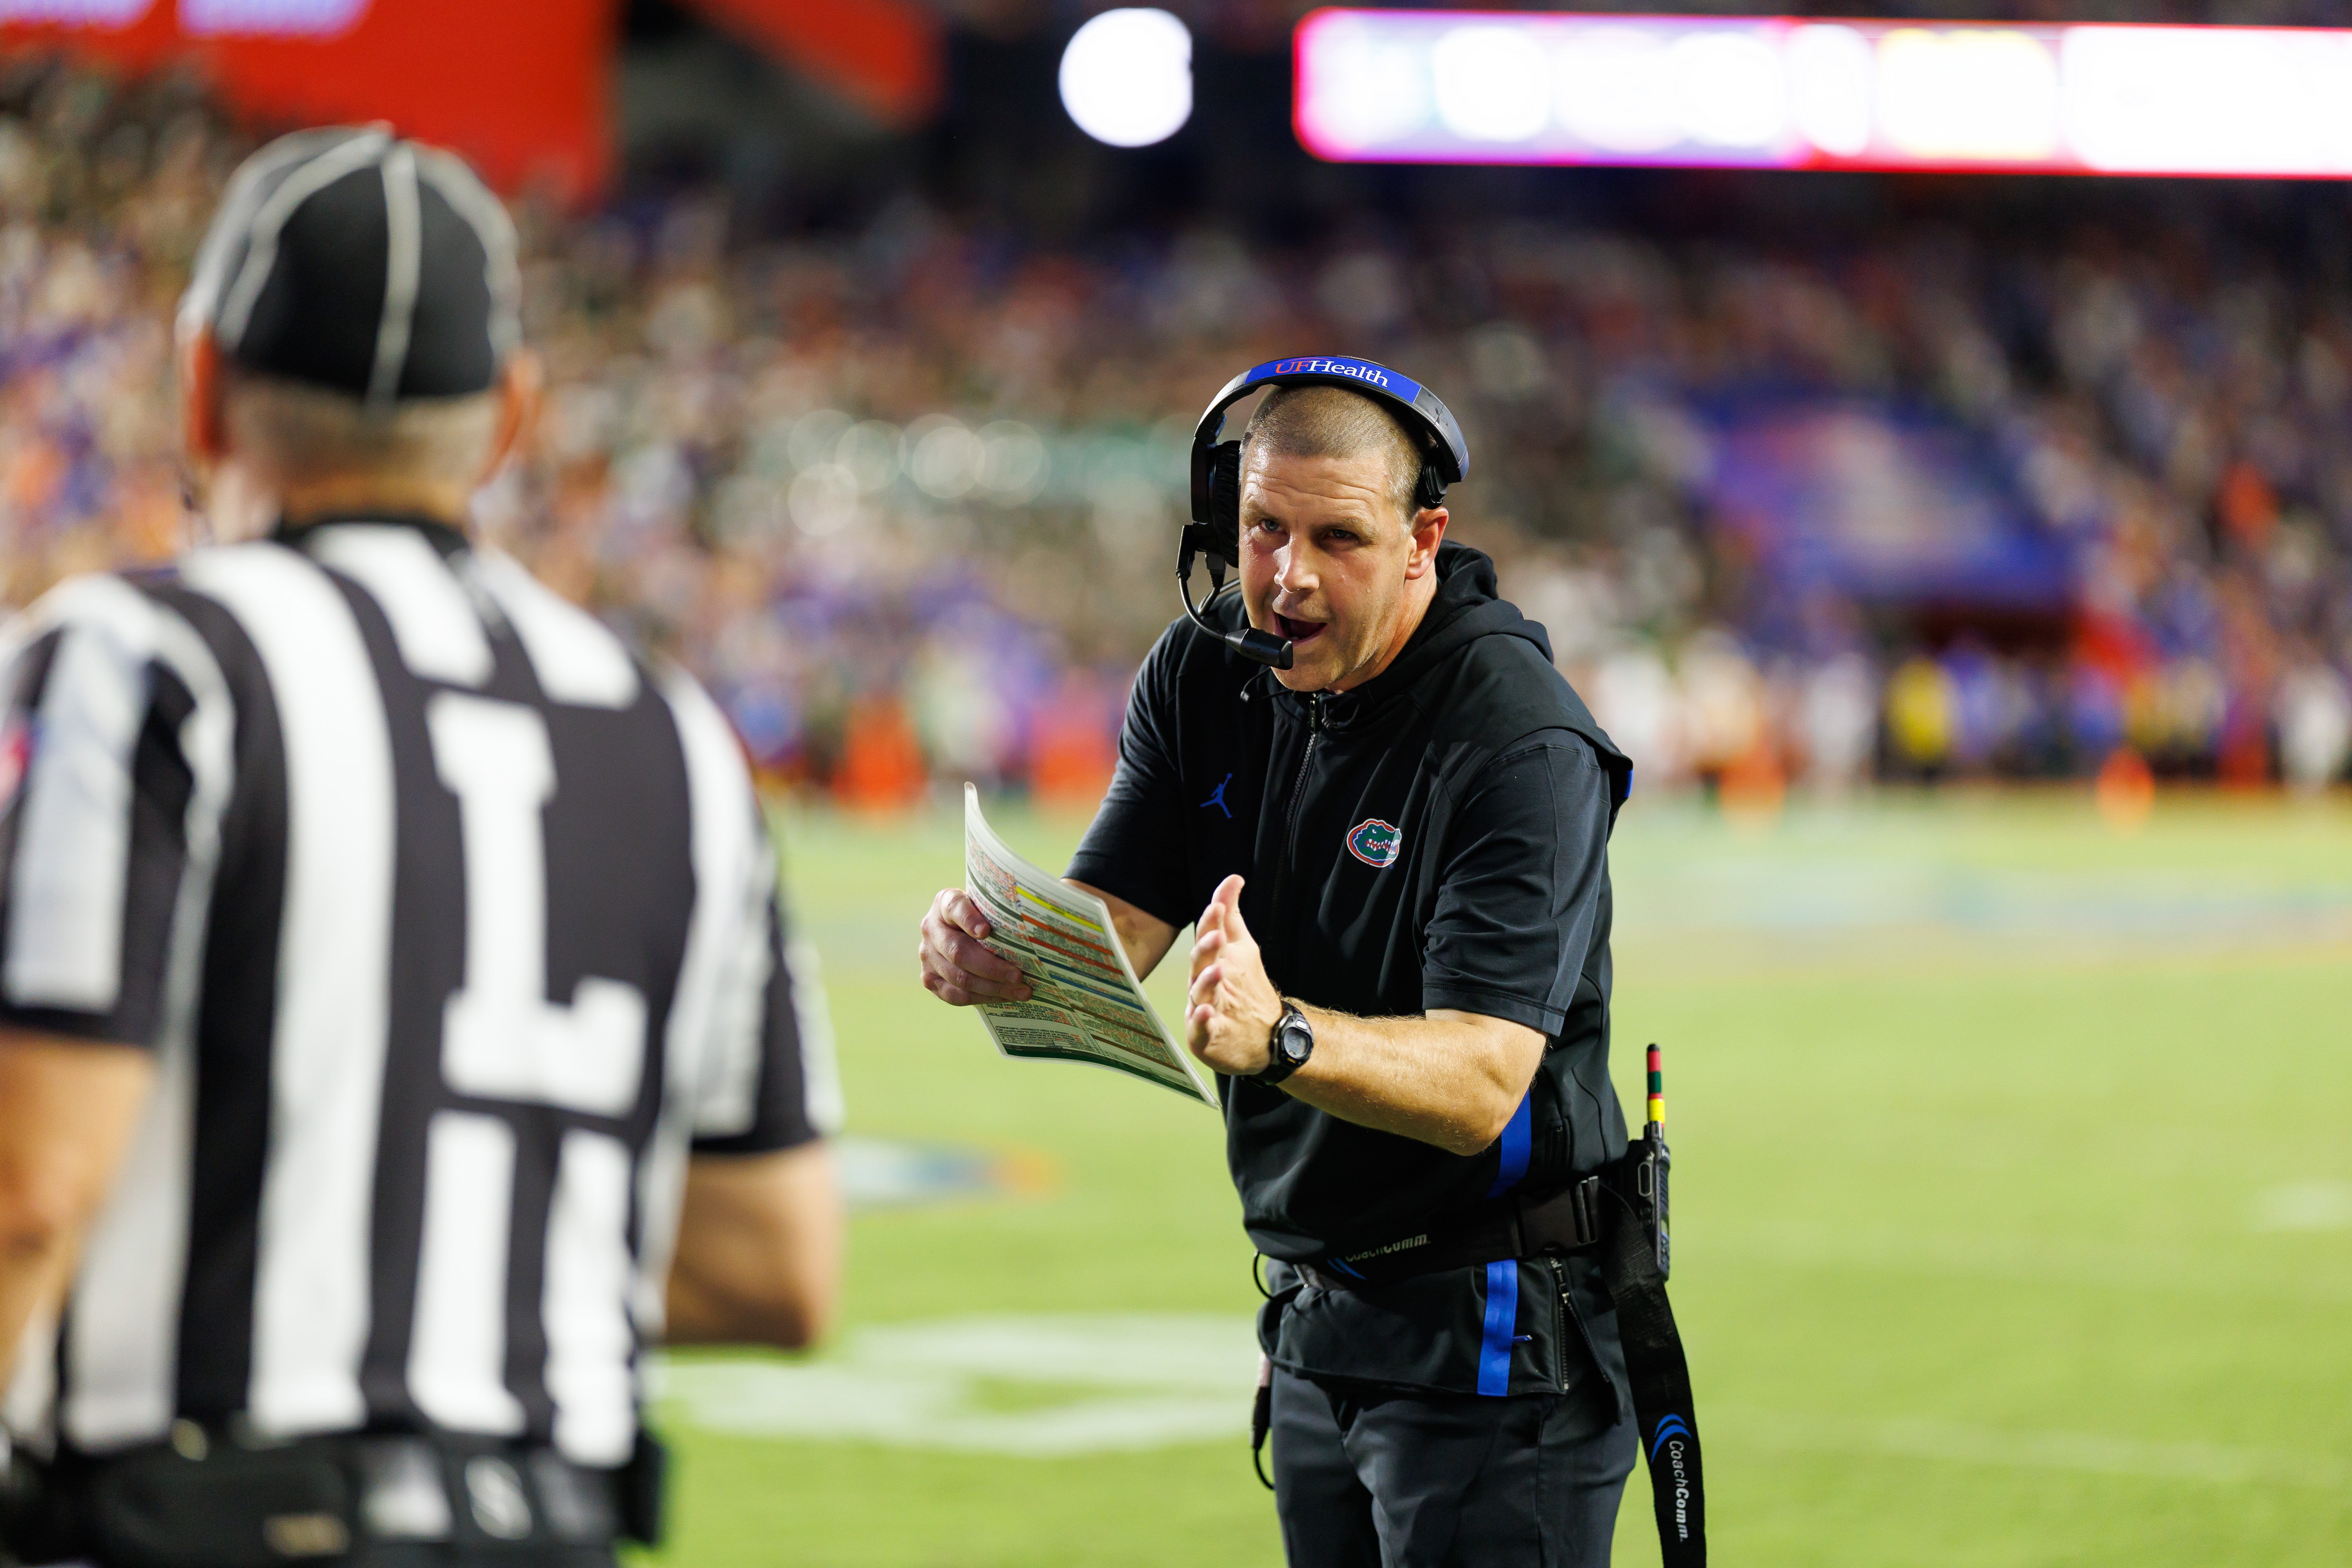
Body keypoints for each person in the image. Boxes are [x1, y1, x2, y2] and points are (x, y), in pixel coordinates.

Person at [0, 127, 841, 1567]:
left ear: (201, 384)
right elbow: (778, 1264)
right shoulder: (673, 731)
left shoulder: (148, 657)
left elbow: (31, 1189)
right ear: (510, 417)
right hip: (550, 1527)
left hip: (196, 1515)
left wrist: (270, 1272)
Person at [920, 359, 1648, 1566]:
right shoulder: (1205, 673)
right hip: (1320, 1315)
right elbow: (1122, 924)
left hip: (1499, 1337)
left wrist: (1283, 1038)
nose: (1288, 576)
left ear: (1422, 542)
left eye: (1338, 538)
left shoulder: (1518, 739)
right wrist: (1006, 951)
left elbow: (1483, 1082)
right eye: (1264, 528)